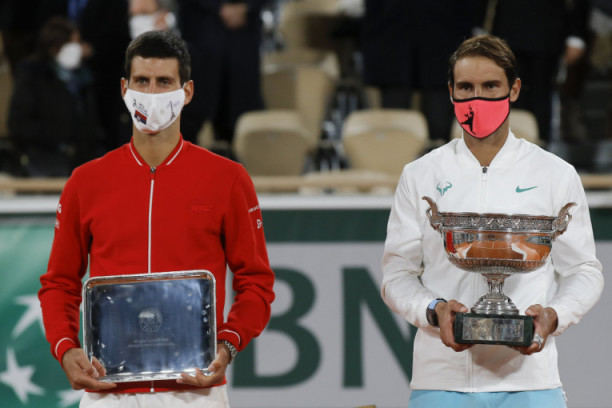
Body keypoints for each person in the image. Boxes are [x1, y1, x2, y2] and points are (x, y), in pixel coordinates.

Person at [38, 30, 275, 407]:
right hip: (108, 392)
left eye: (164, 81)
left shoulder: (227, 178)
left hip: (194, 390)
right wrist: (66, 348)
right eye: (142, 81)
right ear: (124, 88)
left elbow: (256, 281)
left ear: (187, 91)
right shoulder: (86, 182)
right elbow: (59, 282)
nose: (151, 93)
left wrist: (228, 344)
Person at [381, 35, 604, 407]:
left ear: (513, 89)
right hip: (441, 380)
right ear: (451, 91)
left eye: (490, 86)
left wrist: (554, 315)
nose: (477, 98)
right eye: (466, 87)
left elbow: (584, 269)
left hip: (531, 382)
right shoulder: (420, 175)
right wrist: (434, 311)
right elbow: (396, 275)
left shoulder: (555, 174)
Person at [8, 16, 102, 176]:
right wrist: (58, 137)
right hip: (42, 160)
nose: (79, 48)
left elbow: (90, 121)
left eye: (78, 42)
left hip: (80, 160)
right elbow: (19, 124)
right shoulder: (33, 75)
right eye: (72, 43)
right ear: (54, 47)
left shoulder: (85, 78)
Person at [176, 0, 266, 158]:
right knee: (195, 115)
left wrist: (246, 7)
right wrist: (219, 7)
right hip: (201, 31)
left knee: (242, 107)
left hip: (245, 34)